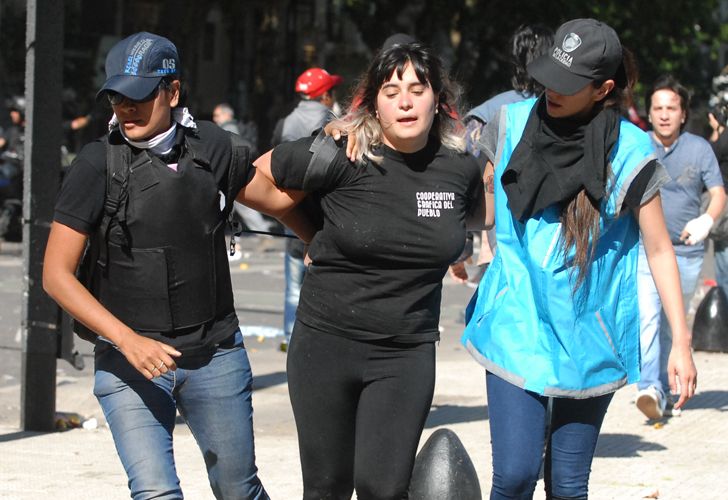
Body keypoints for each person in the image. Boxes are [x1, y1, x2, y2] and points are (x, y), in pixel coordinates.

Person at [41, 32, 309, 500]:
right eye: (117, 96)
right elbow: (55, 275)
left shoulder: (214, 147)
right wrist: (127, 341)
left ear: (173, 91)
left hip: (216, 354)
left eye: (140, 95)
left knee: (238, 489)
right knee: (156, 492)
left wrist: (320, 240)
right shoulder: (95, 164)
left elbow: (277, 199)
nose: (127, 107)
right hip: (128, 361)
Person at [461, 19, 697, 499]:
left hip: (588, 332)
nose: (552, 90)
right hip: (517, 319)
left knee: (568, 486)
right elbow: (484, 207)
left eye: (568, 84)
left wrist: (681, 342)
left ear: (603, 89)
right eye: (550, 74)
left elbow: (658, 248)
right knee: (516, 474)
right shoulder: (511, 123)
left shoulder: (630, 150)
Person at [254, 43, 484, 499]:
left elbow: (472, 221)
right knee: (326, 488)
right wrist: (311, 232)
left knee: (383, 488)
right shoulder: (344, 150)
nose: (404, 101)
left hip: (405, 353)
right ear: (373, 101)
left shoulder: (459, 167)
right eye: (391, 90)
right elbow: (257, 178)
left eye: (417, 90)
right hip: (326, 344)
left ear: (437, 99)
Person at [635, 75, 725, 420]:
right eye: (657, 108)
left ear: (683, 114)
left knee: (673, 324)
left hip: (685, 254)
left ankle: (663, 382)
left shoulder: (699, 149)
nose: (664, 115)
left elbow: (718, 194)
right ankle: (650, 387)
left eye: (671, 108)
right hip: (645, 251)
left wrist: (706, 220)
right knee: (648, 318)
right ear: (649, 114)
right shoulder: (638, 144)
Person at [450, 23, 553, 285]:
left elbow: (463, 181)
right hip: (554, 244)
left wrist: (461, 248)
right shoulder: (567, 112)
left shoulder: (489, 113)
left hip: (502, 245)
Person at [275, 67, 343, 350]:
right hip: (324, 218)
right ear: (325, 95)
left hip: (290, 215)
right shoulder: (333, 122)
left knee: (293, 285)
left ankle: (291, 338)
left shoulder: (285, 122)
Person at [212, 102, 275, 259]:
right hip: (236, 176)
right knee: (237, 208)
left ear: (227, 115)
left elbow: (230, 154)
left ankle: (265, 237)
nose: (214, 119)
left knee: (225, 208)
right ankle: (265, 236)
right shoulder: (235, 128)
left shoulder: (228, 129)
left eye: (217, 115)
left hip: (232, 178)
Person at [708, 100, 728, 300]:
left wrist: (717, 130)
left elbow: (709, 157)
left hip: (724, 203)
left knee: (723, 255)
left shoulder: (722, 141)